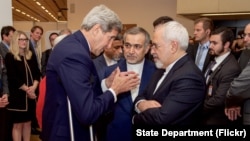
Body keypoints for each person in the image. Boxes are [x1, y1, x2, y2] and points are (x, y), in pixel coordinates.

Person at [41, 4, 140, 141]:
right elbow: (87, 113)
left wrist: (107, 84)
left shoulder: (75, 47)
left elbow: (80, 89)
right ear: (96, 29)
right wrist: (114, 90)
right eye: (110, 37)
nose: (110, 45)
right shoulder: (75, 53)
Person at [133, 21, 206, 126]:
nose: (152, 51)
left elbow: (161, 118)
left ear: (173, 46)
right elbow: (141, 96)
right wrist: (141, 104)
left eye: (156, 46)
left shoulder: (190, 78)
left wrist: (135, 118)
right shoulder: (161, 68)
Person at [101, 27, 156, 141]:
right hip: (116, 134)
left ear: (146, 49)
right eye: (127, 45)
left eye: (137, 46)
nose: (131, 51)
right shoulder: (109, 71)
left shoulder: (157, 72)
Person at [5, 30, 41, 141]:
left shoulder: (30, 55)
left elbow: (37, 73)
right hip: (17, 97)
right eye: (21, 39)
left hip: (31, 96)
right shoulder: (10, 56)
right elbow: (13, 77)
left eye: (25, 39)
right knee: (17, 125)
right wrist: (27, 90)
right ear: (16, 40)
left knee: (28, 123)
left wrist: (34, 87)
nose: (24, 42)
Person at [201, 27, 241, 125]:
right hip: (206, 116)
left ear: (226, 45)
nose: (210, 46)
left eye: (214, 43)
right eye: (210, 42)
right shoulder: (213, 59)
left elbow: (219, 100)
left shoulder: (231, 68)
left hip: (216, 119)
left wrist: (196, 108)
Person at [225, 23, 250, 125]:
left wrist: (231, 102)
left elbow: (236, 88)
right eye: (245, 35)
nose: (245, 39)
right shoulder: (245, 53)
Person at [0, 25, 16, 141]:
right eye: (12, 36)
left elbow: (4, 73)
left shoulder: (12, 50)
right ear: (4, 36)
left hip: (4, 92)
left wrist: (5, 92)